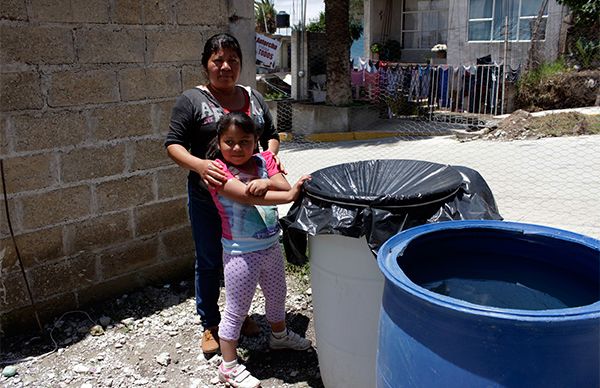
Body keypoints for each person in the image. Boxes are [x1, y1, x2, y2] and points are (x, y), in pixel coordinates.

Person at [165, 33, 281, 354]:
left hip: (248, 200)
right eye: (218, 60)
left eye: (232, 60)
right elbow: (173, 145)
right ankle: (210, 324)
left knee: (242, 259)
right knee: (210, 260)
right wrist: (200, 166)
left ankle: (238, 316)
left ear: (241, 64)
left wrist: (268, 161)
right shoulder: (191, 100)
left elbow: (270, 135)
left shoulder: (254, 98)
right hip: (208, 200)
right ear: (206, 65)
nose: (225, 66)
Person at [207, 112, 311, 388]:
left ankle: (279, 336)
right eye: (229, 141)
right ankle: (228, 366)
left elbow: (281, 184)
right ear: (218, 142)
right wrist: (288, 197)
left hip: (270, 246)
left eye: (245, 141)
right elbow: (244, 194)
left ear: (256, 142)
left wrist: (267, 181)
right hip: (240, 252)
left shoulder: (264, 160)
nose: (237, 148)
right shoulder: (216, 171)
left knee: (277, 296)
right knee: (237, 310)